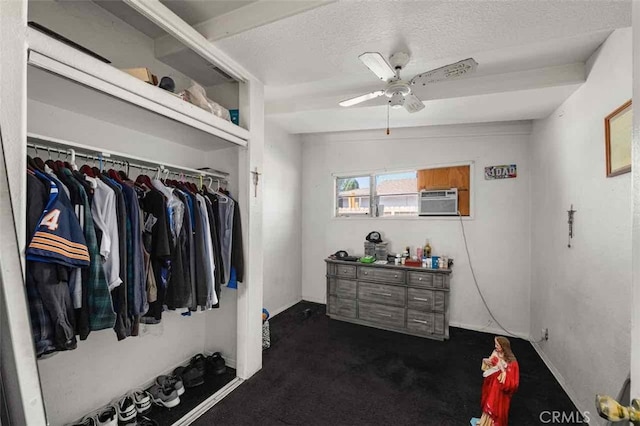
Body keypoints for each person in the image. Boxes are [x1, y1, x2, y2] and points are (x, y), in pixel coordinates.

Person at [478, 336, 520, 426]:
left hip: (499, 390)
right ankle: (485, 423)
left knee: (496, 406)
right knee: (488, 402)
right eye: (495, 344)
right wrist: (486, 361)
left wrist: (503, 371)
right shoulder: (495, 353)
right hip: (492, 384)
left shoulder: (512, 363)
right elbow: (491, 364)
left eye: (497, 345)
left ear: (503, 346)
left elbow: (512, 383)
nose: (495, 346)